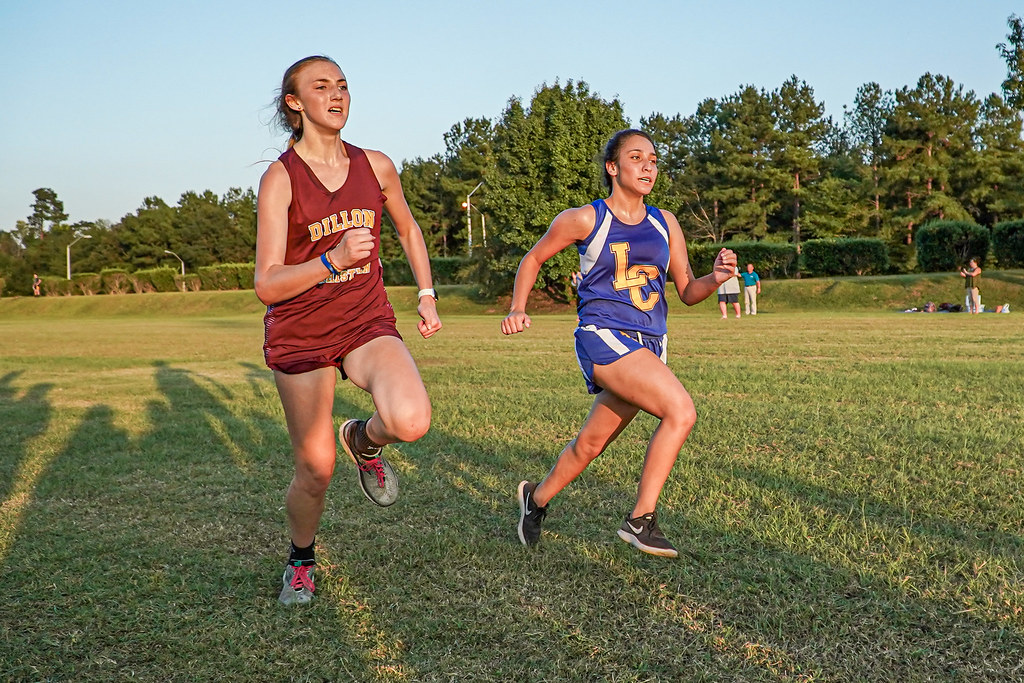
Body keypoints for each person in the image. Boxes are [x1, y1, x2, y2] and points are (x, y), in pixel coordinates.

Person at [255, 56, 441, 606]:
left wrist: (426, 294)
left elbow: (408, 228)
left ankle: (363, 439)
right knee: (316, 469)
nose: (336, 95)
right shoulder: (280, 178)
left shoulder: (376, 166)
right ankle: (301, 560)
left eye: (342, 85)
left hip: (365, 320)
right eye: (321, 87)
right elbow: (266, 283)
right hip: (301, 330)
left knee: (410, 420)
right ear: (294, 103)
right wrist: (331, 261)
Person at [501, 129, 737, 558]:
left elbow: (687, 290)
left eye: (653, 159)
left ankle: (535, 499)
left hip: (650, 344)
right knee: (681, 411)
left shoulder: (666, 222)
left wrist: (716, 278)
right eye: (636, 157)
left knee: (591, 444)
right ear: (613, 167)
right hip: (604, 334)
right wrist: (518, 307)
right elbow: (533, 258)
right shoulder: (585, 218)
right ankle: (641, 520)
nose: (648, 166)